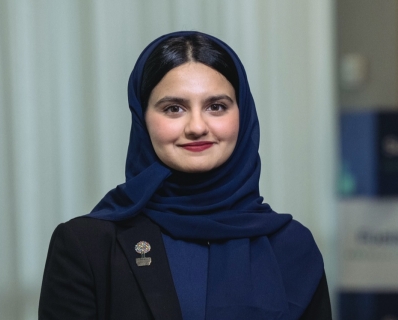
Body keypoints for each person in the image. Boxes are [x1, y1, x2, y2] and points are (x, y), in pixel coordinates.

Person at [39, 31, 332, 320]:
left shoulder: (292, 246)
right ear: (143, 119)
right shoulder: (88, 245)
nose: (196, 126)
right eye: (174, 108)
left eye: (216, 107)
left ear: (242, 114)